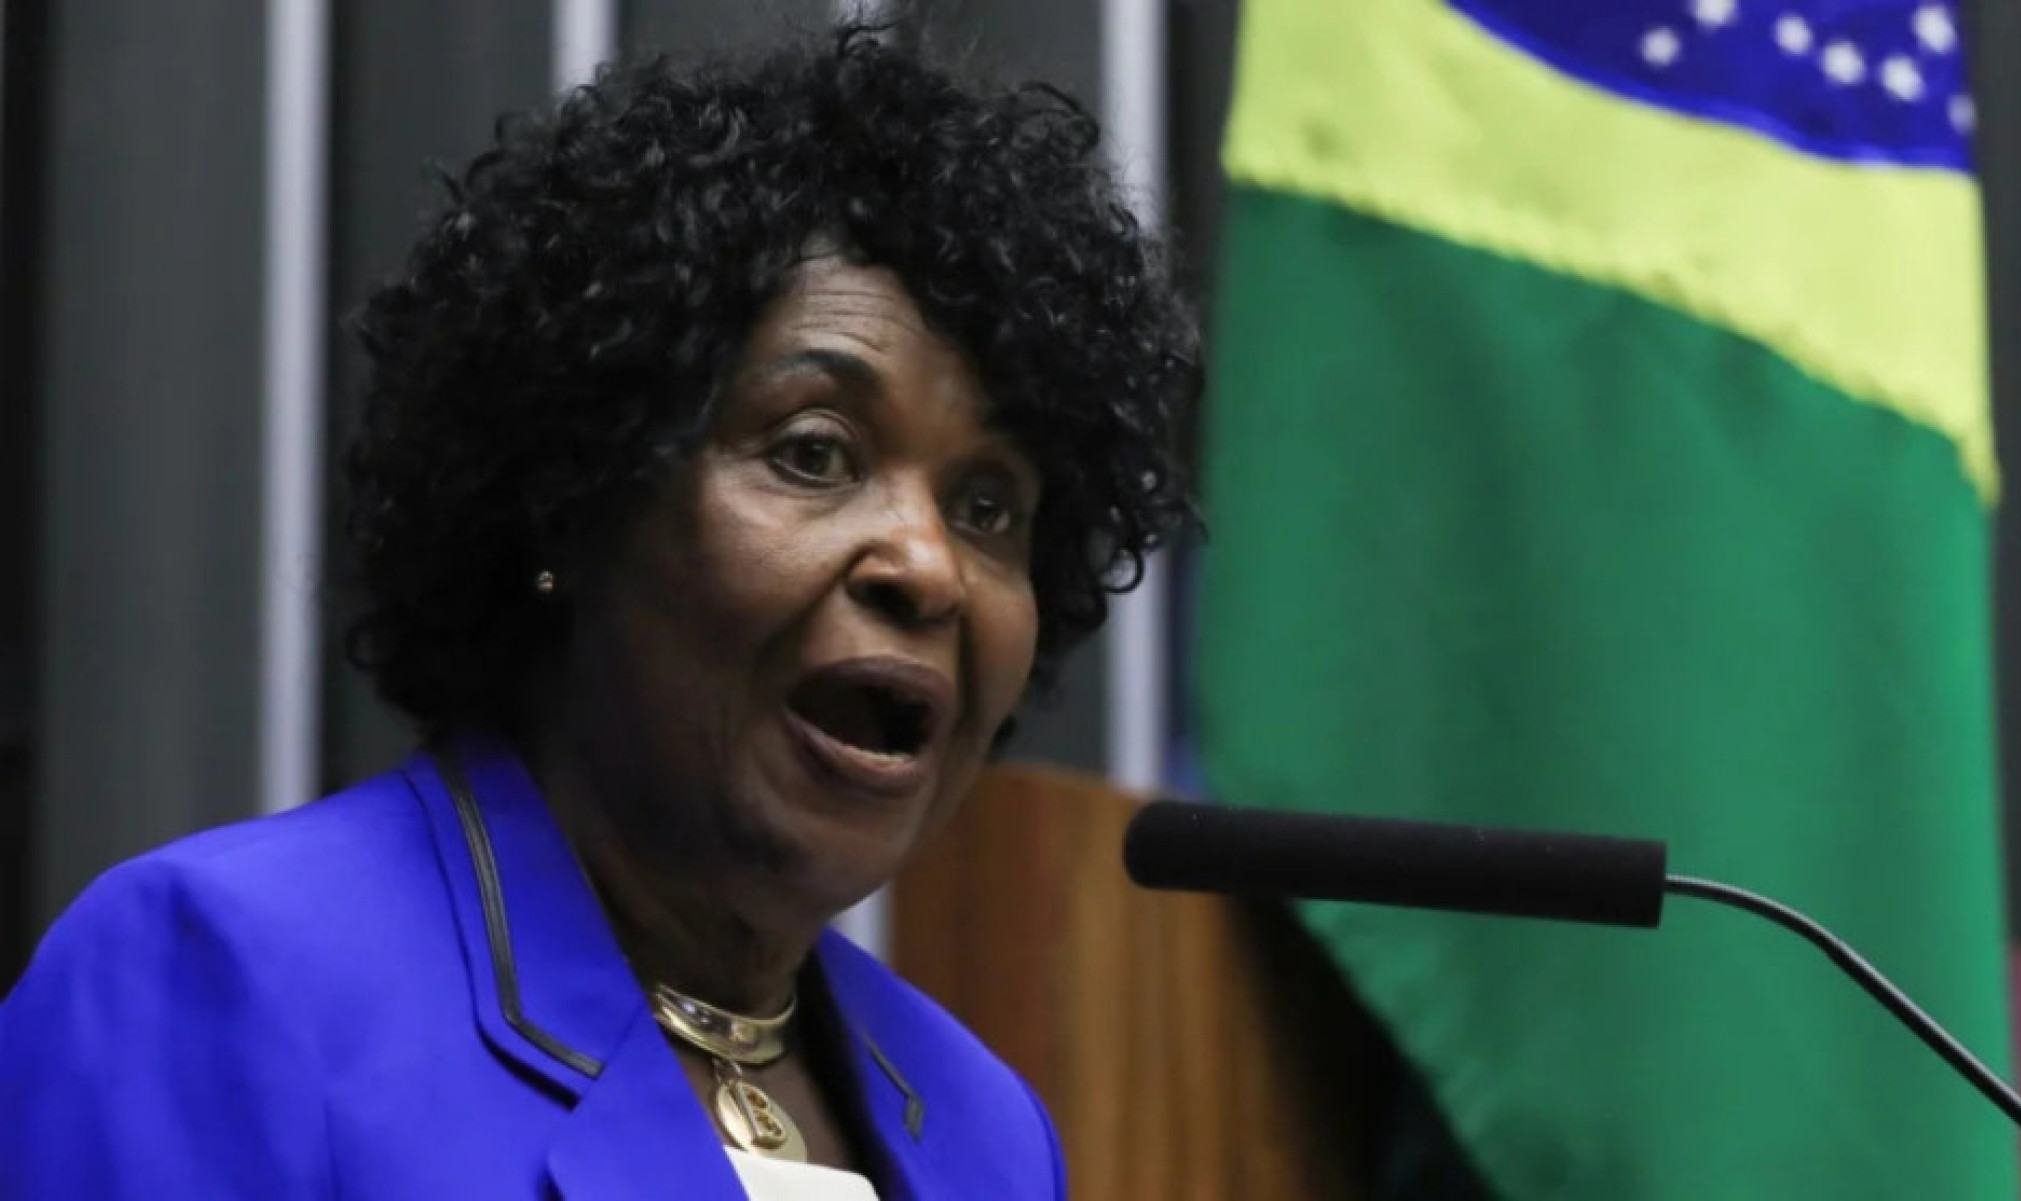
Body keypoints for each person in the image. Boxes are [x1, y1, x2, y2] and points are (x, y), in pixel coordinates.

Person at [0, 26, 1196, 1199]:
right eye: (815, 452)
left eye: (989, 506)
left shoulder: (988, 1132)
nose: (928, 566)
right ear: (572, 500)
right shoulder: (229, 981)